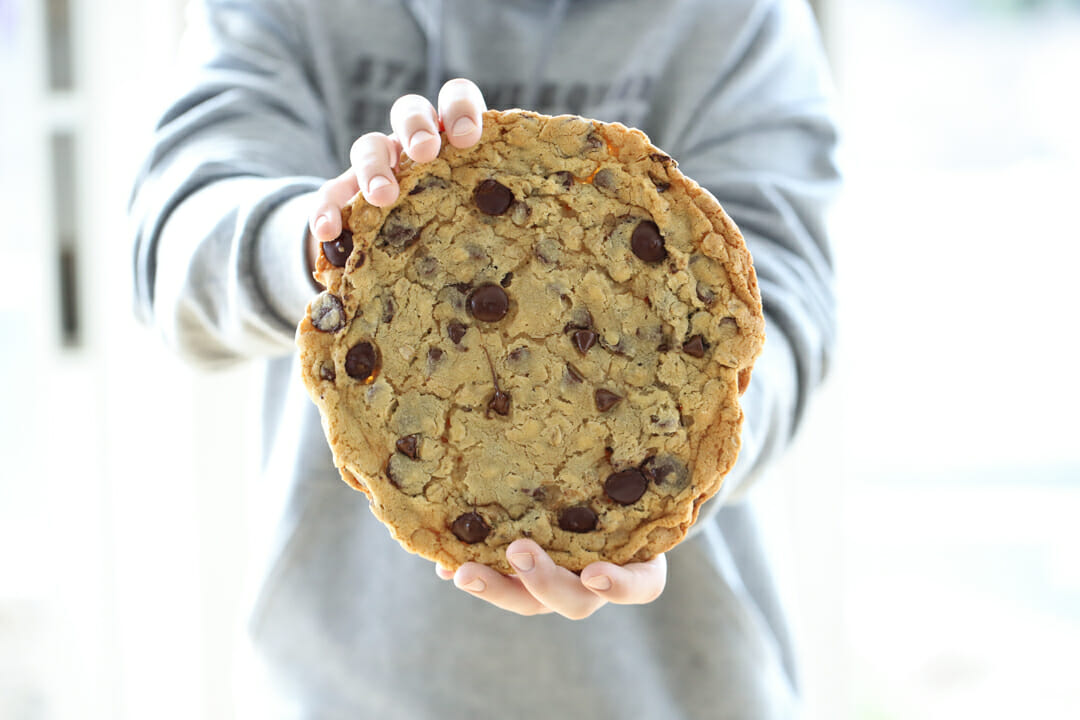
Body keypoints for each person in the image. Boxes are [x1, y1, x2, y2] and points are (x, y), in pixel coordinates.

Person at [130, 0, 839, 717]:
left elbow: (783, 312)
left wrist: (682, 480)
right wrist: (325, 241)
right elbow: (171, 244)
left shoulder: (735, 17)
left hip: (675, 687)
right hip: (342, 684)